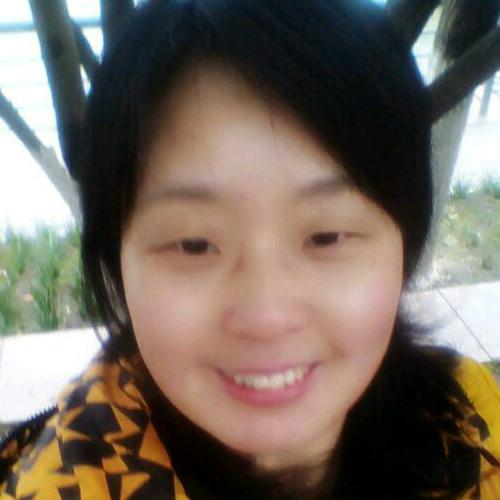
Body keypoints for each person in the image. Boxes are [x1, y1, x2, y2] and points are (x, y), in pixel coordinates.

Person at [1, 0, 499, 498]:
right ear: (117, 262)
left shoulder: (472, 421)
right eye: (194, 245)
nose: (266, 317)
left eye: (325, 237)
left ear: (404, 242)